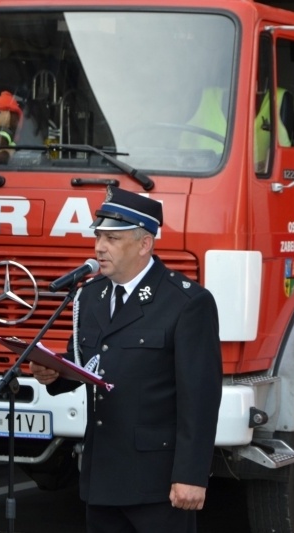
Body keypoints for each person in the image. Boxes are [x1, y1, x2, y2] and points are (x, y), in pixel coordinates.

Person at [30, 186, 223, 533]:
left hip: (157, 481)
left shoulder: (185, 302)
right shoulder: (90, 296)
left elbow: (200, 398)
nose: (99, 247)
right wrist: (53, 373)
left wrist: (191, 475)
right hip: (102, 475)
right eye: (98, 236)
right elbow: (86, 363)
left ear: (144, 244)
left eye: (112, 238)